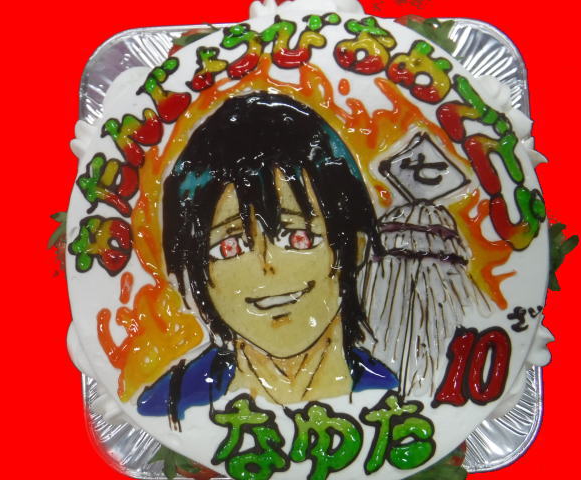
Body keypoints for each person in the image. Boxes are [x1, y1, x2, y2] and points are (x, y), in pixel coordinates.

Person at [137, 92, 397, 423]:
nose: (267, 267)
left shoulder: (394, 396)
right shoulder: (169, 406)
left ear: (356, 246)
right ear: (193, 271)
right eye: (229, 247)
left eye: (297, 237)